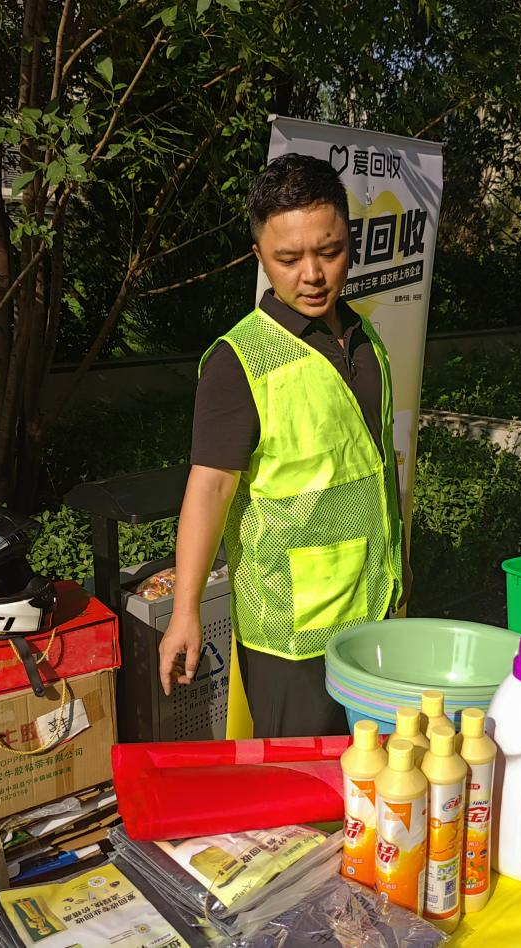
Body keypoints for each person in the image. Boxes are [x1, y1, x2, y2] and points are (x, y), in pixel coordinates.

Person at [157, 154, 405, 738]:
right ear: (260, 259)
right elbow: (211, 485)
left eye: (331, 251)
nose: (313, 275)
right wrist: (186, 609)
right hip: (291, 631)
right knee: (305, 793)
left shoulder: (366, 340)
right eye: (288, 259)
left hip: (372, 604)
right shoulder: (238, 360)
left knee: (373, 779)